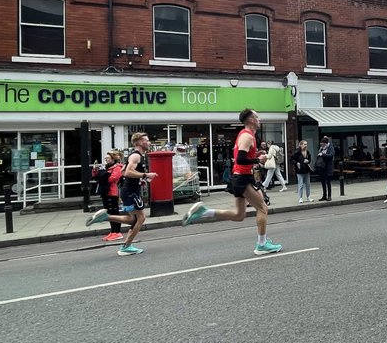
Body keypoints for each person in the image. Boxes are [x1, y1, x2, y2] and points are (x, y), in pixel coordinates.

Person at [181, 109, 282, 254]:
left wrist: (256, 154)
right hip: (242, 177)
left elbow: (241, 156)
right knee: (262, 208)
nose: (259, 120)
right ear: (251, 120)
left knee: (239, 215)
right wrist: (257, 160)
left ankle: (205, 212)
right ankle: (262, 244)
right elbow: (241, 158)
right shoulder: (247, 136)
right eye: (257, 117)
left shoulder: (245, 135)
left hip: (240, 176)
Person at [88, 131, 159, 255]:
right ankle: (126, 246)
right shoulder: (136, 156)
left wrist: (141, 178)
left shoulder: (136, 156)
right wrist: (145, 174)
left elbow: (123, 170)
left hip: (129, 191)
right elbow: (127, 173)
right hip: (131, 192)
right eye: (146, 140)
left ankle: (106, 219)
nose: (149, 142)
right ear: (138, 142)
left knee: (133, 219)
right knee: (140, 218)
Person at [95, 150, 125, 243]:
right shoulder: (107, 168)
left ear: (113, 159)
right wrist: (96, 170)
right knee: (109, 213)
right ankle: (112, 232)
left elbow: (112, 179)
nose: (106, 160)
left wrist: (103, 176)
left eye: (107, 158)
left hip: (112, 192)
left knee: (114, 212)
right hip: (106, 192)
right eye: (105, 158)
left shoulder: (117, 168)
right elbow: (96, 176)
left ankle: (117, 232)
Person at [317, 136, 336, 201]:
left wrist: (322, 154)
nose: (322, 145)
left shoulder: (331, 148)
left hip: (328, 167)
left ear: (325, 143)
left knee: (328, 182)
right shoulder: (321, 148)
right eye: (321, 144)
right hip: (322, 168)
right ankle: (324, 195)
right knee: (323, 182)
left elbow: (331, 156)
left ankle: (329, 196)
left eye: (323, 144)